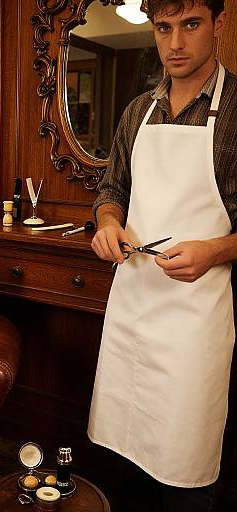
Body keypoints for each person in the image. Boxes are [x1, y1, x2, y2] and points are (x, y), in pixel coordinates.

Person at [88, 0, 237, 510]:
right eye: (164, 28)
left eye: (190, 25)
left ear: (218, 24)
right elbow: (110, 190)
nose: (175, 43)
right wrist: (107, 225)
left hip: (195, 318)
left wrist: (216, 250)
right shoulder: (138, 110)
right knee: (123, 454)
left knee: (183, 462)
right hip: (132, 304)